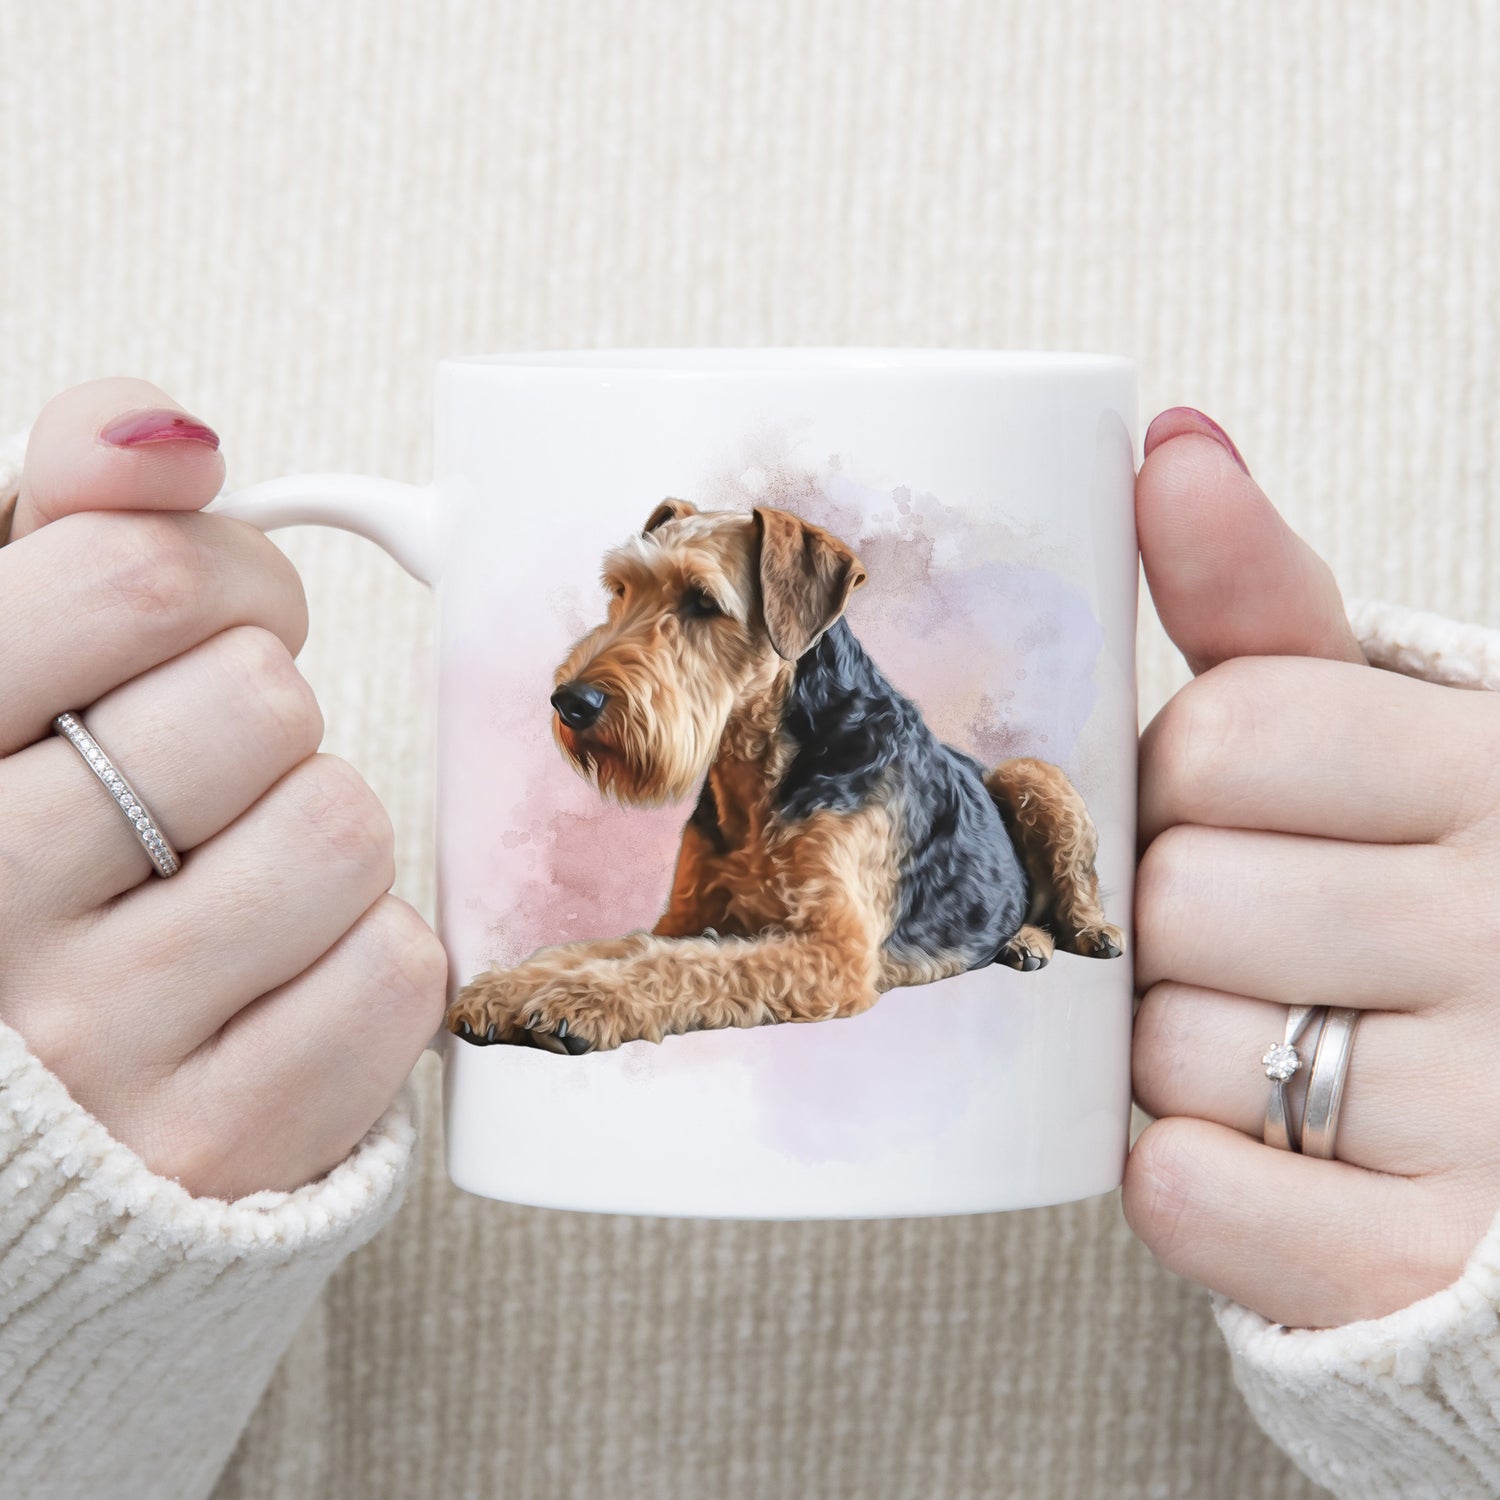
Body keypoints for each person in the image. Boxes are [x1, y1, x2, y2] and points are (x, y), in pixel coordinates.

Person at [0, 379, 1497, 1500]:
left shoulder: (866, 757)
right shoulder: (723, 805)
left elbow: (827, 972)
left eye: (688, 617)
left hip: (932, 840)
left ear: (792, 614)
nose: (602, 667)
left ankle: (1054, 918)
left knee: (1030, 798)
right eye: (621, 608)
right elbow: (682, 949)